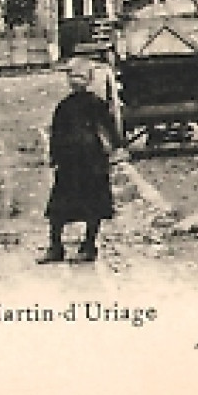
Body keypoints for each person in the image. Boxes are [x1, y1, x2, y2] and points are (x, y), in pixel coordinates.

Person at [38, 57, 125, 264]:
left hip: (87, 161)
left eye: (78, 76)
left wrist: (114, 149)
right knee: (64, 207)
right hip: (77, 161)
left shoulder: (87, 105)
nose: (74, 81)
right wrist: (54, 156)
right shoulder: (71, 106)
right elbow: (57, 133)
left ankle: (82, 246)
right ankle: (62, 246)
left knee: (86, 206)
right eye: (72, 76)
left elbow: (108, 129)